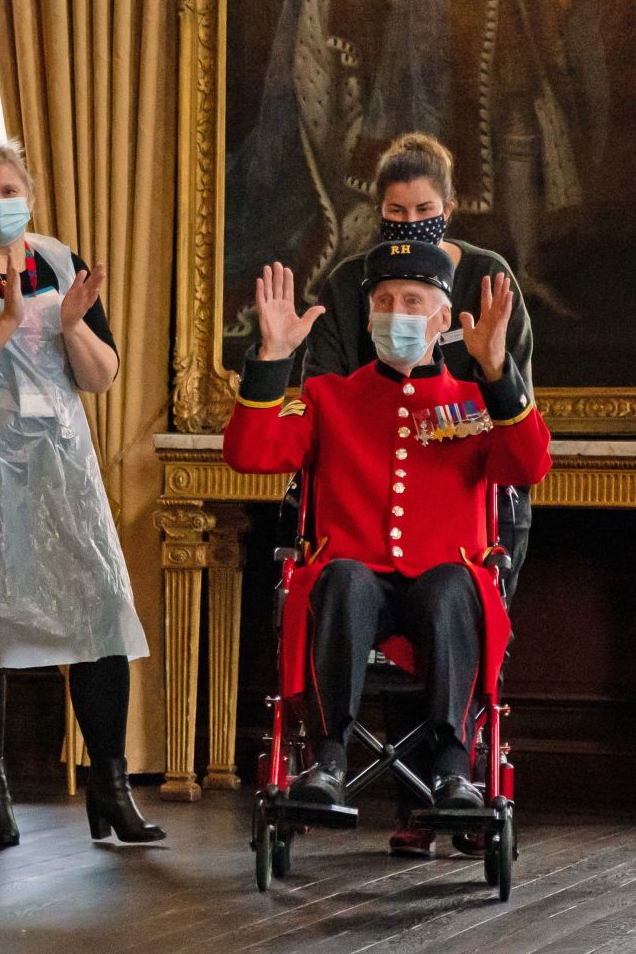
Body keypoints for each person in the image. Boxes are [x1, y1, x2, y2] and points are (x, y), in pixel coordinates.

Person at [0, 142, 165, 848]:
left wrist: (71, 323)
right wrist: (8, 320)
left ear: (31, 197)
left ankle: (110, 784)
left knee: (101, 609)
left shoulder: (59, 261)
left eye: (8, 188)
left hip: (59, 474)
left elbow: (101, 375)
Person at [223, 245, 550, 832]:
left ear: (443, 319)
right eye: (383, 302)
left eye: (412, 301)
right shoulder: (331, 399)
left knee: (456, 584)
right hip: (358, 592)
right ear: (369, 315)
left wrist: (501, 376)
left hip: (439, 593)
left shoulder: (475, 405)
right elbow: (248, 453)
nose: (395, 313)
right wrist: (271, 357)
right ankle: (326, 764)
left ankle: (453, 769)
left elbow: (528, 466)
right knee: (342, 576)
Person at [302, 133, 534, 854]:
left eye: (424, 209)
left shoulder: (490, 279)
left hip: (471, 504)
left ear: (450, 207)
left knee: (447, 606)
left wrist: (488, 376)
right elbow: (327, 396)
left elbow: (519, 427)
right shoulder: (347, 284)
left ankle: (454, 780)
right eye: (395, 211)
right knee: (349, 583)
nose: (410, 222)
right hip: (356, 500)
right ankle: (390, 790)